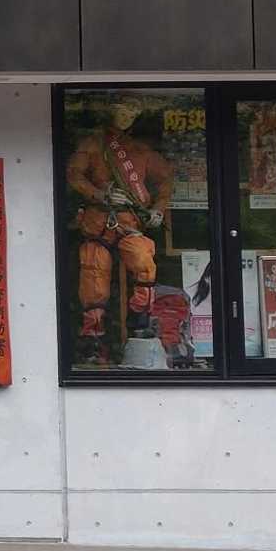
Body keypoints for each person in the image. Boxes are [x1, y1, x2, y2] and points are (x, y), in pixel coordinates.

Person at [65, 98, 173, 363]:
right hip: (97, 220)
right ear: (111, 111)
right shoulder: (93, 144)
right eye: (123, 110)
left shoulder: (142, 150)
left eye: (132, 112)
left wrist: (158, 209)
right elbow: (73, 175)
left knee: (144, 261)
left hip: (129, 221)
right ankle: (93, 337)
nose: (126, 116)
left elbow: (165, 180)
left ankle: (140, 320)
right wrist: (99, 194)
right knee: (93, 274)